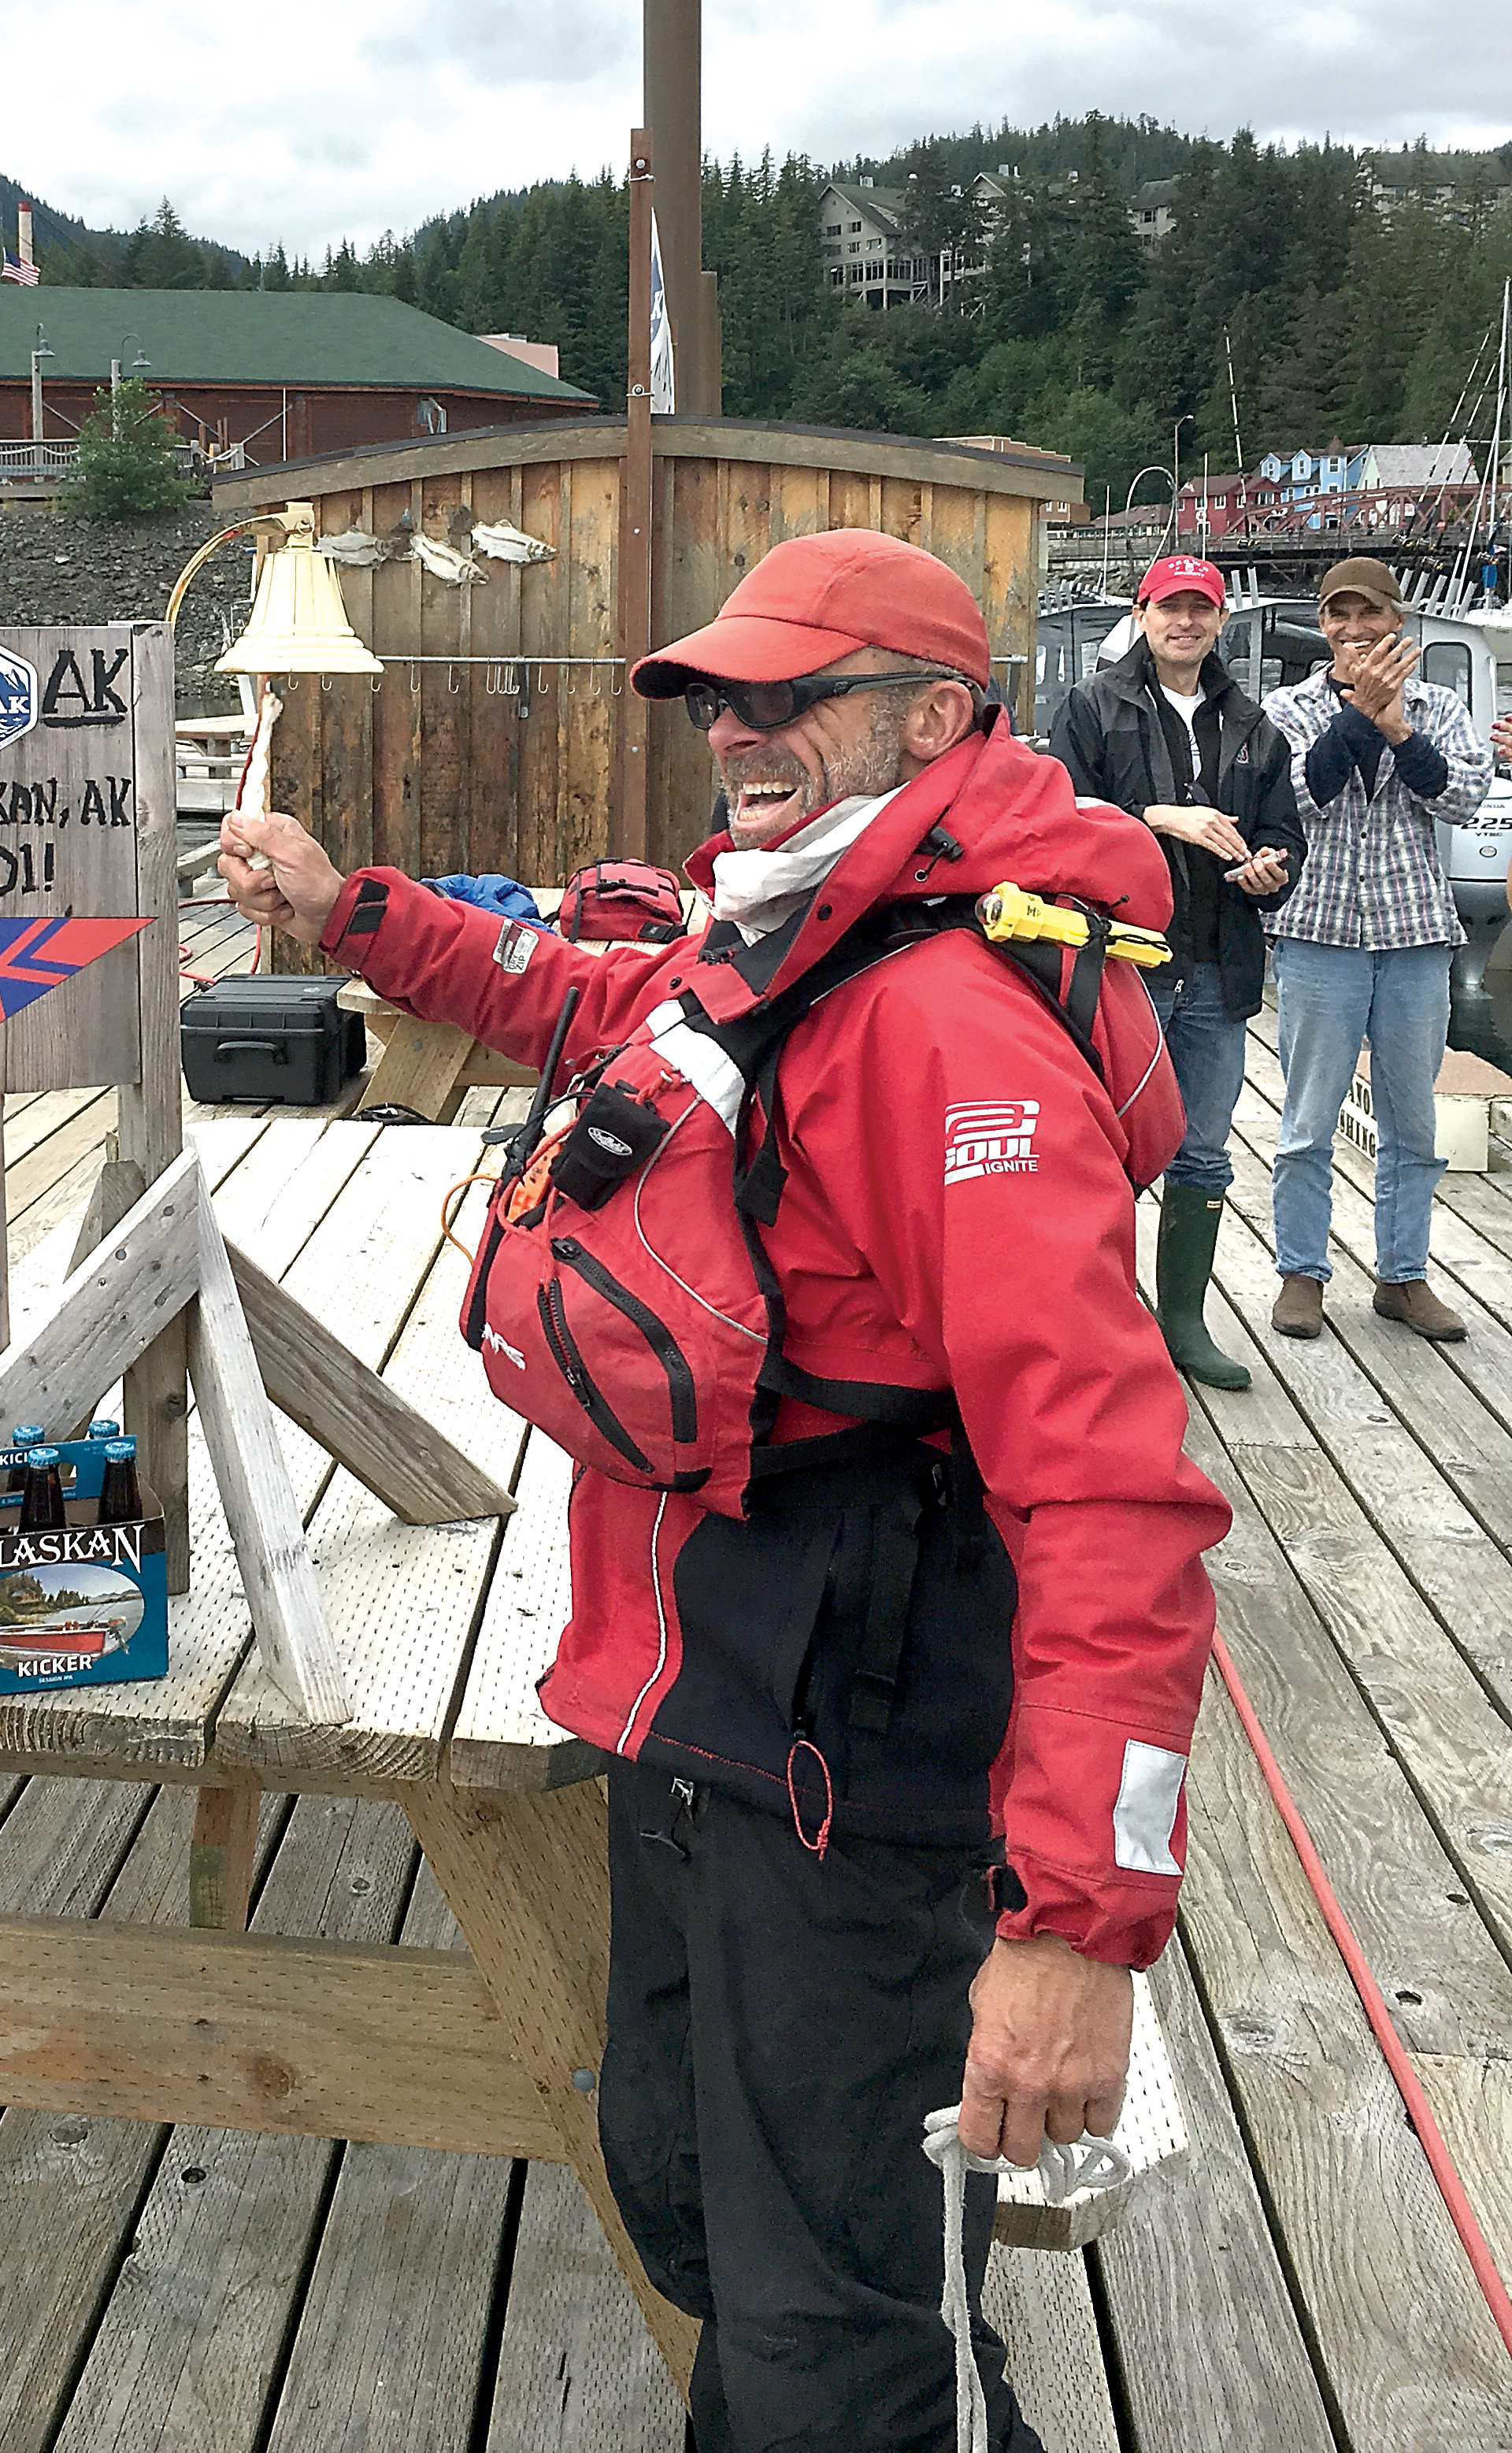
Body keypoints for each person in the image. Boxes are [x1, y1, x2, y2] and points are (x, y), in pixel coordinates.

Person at [219, 530, 1227, 2453]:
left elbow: (1115, 1498)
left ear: (936, 717)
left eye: (789, 697)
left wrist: (1075, 1930)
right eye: (716, 700)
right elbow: (590, 1002)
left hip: (848, 1758)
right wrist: (353, 906)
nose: (734, 735)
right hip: (693, 1710)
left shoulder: (945, 1017)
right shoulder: (783, 924)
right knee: (698, 2212)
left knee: (842, 2331)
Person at [1049, 554, 1302, 1391]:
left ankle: (1185, 1323)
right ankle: (1101, 1320)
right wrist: (1159, 816)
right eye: (1169, 607)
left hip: (1221, 968)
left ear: (1221, 622)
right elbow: (1057, 820)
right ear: (1142, 612)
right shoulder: (1093, 707)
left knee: (1201, 1154)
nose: (1184, 622)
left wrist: (1273, 867)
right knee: (1103, 1150)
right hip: (1123, 964)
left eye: (1200, 609)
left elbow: (1284, 834)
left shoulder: (1256, 725)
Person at [1262, 555, 1491, 1343]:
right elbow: (1299, 796)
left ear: (1399, 620)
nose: (1354, 629)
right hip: (1318, 928)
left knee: (1413, 1124)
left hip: (1417, 933)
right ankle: (1301, 1272)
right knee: (1306, 1120)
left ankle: (1403, 1275)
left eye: (1370, 614)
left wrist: (1397, 723)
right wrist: (1361, 714)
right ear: (1323, 626)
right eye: (1339, 615)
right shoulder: (1285, 708)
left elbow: (1460, 797)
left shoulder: (1443, 705)